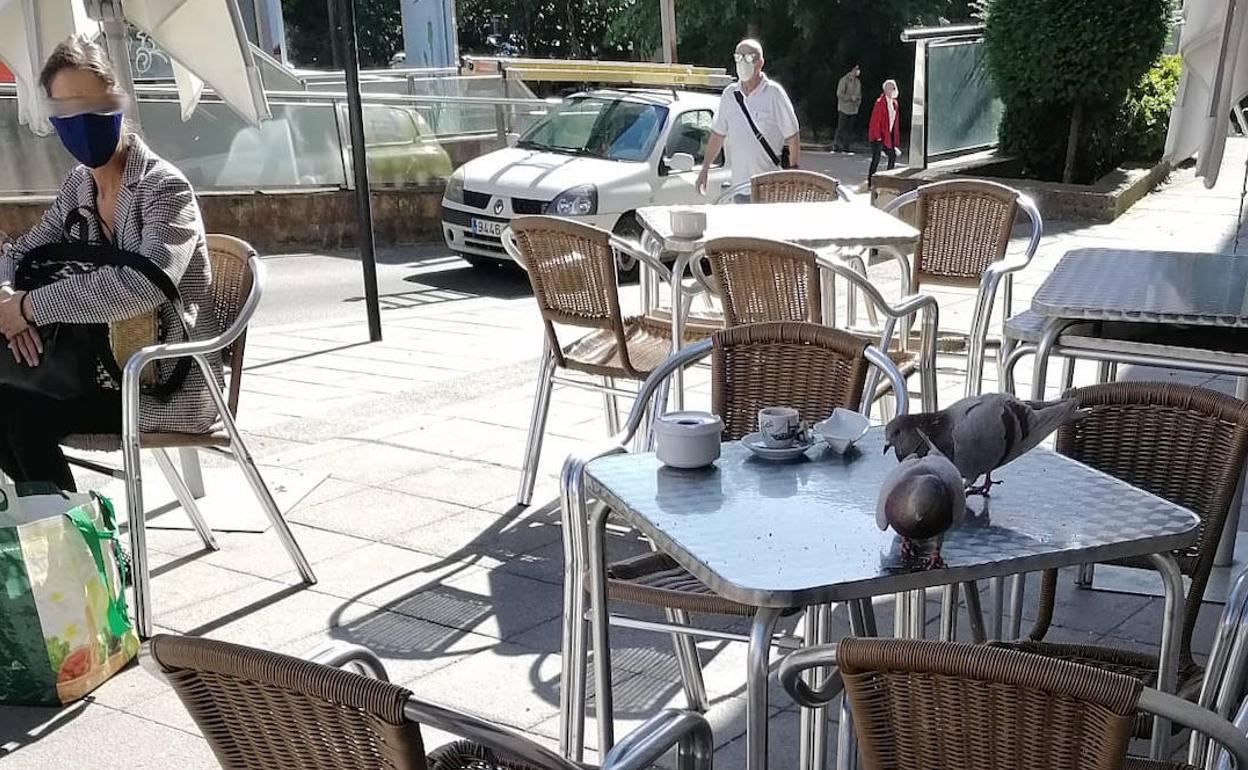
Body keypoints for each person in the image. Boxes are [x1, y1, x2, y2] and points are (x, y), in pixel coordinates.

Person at [0, 34, 222, 491]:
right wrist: (6, 296)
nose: (79, 121)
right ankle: (54, 535)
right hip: (95, 369)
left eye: (90, 103)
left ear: (116, 99)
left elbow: (143, 285)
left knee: (22, 417)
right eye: (65, 110)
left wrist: (28, 309)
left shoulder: (164, 188)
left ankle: (68, 546)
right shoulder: (79, 187)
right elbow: (20, 251)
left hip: (160, 380)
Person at [696, 39, 800, 199]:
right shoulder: (730, 95)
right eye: (738, 57)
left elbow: (792, 136)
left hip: (770, 190)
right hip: (740, 190)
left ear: (760, 63)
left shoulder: (774, 94)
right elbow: (717, 135)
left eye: (748, 58)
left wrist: (794, 172)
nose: (742, 62)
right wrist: (704, 170)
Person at [867, 79, 902, 187]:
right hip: (877, 136)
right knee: (876, 159)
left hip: (887, 136)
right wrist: (877, 137)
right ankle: (871, 183)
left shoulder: (894, 103)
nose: (892, 90)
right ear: (885, 89)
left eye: (893, 87)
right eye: (890, 88)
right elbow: (875, 121)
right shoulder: (879, 103)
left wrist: (895, 141)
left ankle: (888, 179)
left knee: (892, 156)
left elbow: (895, 123)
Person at [834, 64, 862, 152]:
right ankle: (836, 145)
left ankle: (846, 146)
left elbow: (859, 94)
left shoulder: (857, 82)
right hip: (844, 108)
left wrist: (857, 102)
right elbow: (839, 94)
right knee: (841, 127)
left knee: (849, 129)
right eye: (856, 69)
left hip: (853, 109)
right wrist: (850, 97)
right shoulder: (844, 80)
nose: (857, 71)